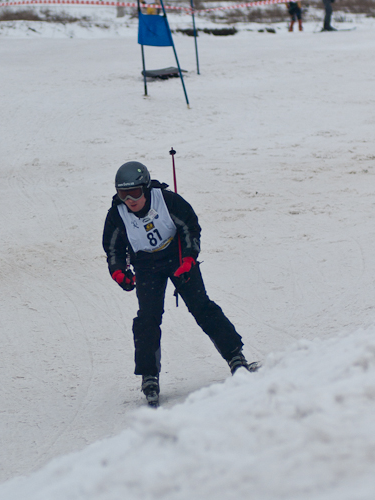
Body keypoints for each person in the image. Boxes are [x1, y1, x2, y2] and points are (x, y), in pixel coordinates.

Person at [102, 161, 258, 406]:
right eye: (123, 194)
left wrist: (188, 257)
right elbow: (113, 248)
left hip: (176, 257)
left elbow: (190, 227)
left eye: (135, 193)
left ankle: (235, 356)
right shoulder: (117, 214)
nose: (130, 199)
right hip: (146, 264)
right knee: (147, 318)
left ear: (146, 188)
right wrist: (119, 271)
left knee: (201, 306)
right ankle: (149, 375)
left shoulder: (167, 201)